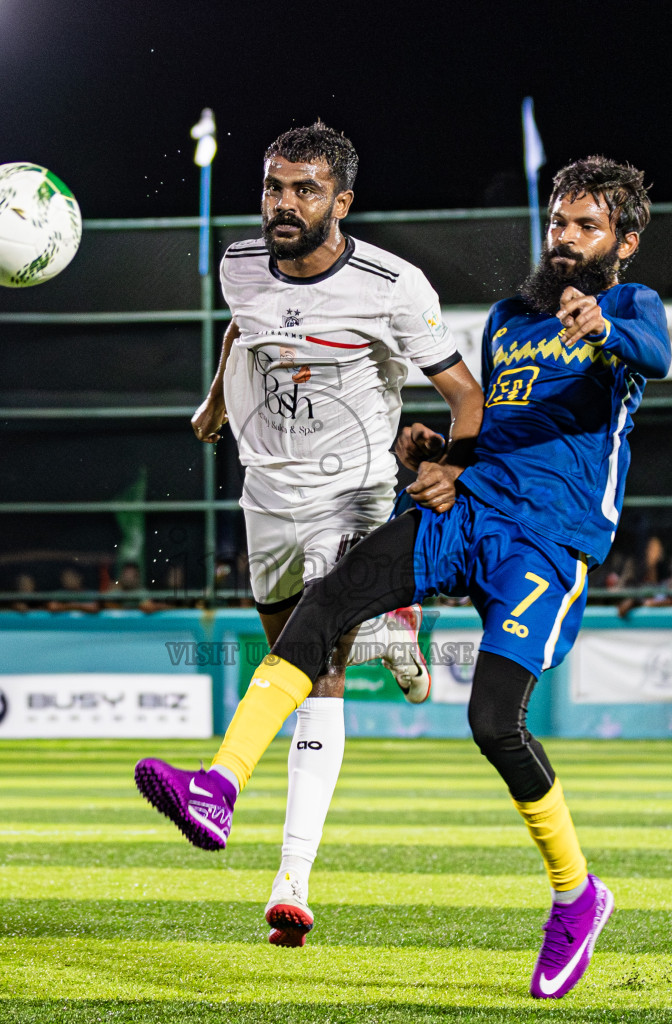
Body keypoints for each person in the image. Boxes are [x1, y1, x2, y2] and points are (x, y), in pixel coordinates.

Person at [136, 156, 668, 998]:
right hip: (468, 510)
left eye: (587, 227)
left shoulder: (631, 308)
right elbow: (490, 426)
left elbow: (656, 352)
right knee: (330, 599)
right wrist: (439, 455)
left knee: (494, 721)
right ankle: (220, 784)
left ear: (623, 243)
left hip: (547, 544)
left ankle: (578, 895)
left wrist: (603, 326)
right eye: (559, 222)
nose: (565, 238)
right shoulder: (508, 319)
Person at [183, 121, 484, 947]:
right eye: (275, 186)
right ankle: (395, 638)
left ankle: (292, 878)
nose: (285, 203)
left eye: (305, 189)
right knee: (301, 653)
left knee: (315, 667)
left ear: (341, 201)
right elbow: (244, 327)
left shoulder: (393, 286)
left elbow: (467, 395)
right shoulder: (239, 264)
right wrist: (215, 400)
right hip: (268, 496)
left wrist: (454, 469)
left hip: (355, 495)